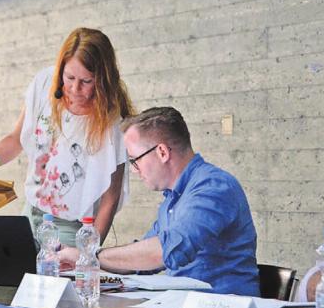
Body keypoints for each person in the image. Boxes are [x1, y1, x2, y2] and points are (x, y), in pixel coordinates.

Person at [58, 107, 260, 296]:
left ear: (162, 152)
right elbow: (141, 262)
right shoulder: (173, 199)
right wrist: (83, 263)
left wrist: (91, 256)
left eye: (134, 161)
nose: (135, 171)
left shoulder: (213, 187)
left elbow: (164, 251)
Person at [0, 27, 135, 247]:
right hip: (31, 212)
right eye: (70, 77)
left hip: (71, 226)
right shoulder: (44, 83)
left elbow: (110, 197)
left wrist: (89, 251)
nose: (75, 88)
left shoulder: (111, 120)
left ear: (102, 79)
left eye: (86, 81)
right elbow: (17, 138)